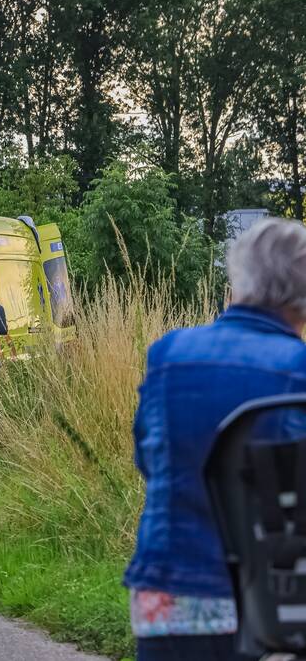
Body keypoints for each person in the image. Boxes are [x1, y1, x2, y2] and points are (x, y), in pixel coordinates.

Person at [125, 218, 306, 661]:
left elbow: (148, 460)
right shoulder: (298, 369)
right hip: (281, 608)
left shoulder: (168, 355)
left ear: (238, 277)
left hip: (171, 596)